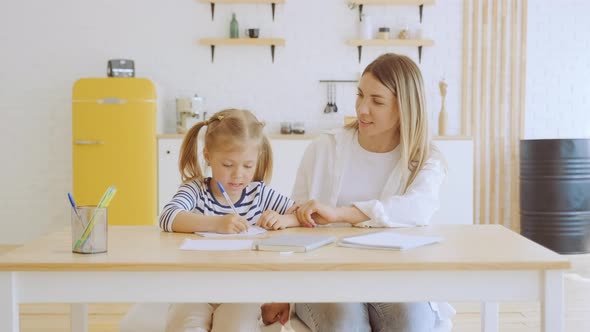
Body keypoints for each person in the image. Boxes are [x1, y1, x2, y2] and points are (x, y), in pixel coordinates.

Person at [261, 53, 455, 332]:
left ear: (405, 108)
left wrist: (339, 214)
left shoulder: (426, 159)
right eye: (360, 95)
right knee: (345, 322)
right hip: (325, 277)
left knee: (412, 321)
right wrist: (278, 289)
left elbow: (417, 208)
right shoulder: (324, 148)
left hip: (393, 278)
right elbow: (295, 222)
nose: (362, 109)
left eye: (376, 101)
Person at [160, 109, 300, 332]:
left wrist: (285, 219)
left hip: (241, 291)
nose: (238, 175)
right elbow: (168, 216)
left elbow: (303, 214)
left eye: (247, 166)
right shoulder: (195, 190)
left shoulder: (259, 194)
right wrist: (216, 223)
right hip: (193, 289)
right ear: (208, 156)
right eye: (227, 165)